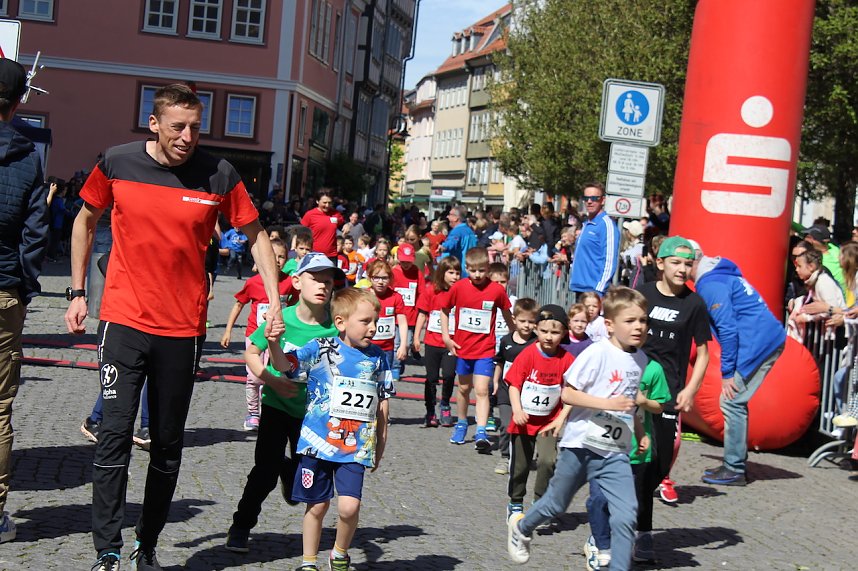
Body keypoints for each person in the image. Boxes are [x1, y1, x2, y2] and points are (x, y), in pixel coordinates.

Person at [64, 84, 286, 571]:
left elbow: (255, 235)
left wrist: (273, 298)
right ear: (155, 123)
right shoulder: (117, 162)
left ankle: (148, 541)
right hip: (123, 320)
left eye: (195, 127)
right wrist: (78, 291)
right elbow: (85, 219)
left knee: (166, 444)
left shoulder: (219, 173)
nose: (187, 136)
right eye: (178, 126)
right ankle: (107, 547)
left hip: (182, 328)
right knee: (114, 435)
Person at [507, 286, 650, 569]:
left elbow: (628, 402)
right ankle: (522, 528)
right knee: (554, 505)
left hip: (613, 451)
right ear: (609, 324)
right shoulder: (597, 353)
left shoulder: (640, 359)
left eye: (643, 321)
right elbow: (569, 394)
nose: (638, 327)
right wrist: (605, 403)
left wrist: (641, 432)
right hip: (580, 444)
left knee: (626, 513)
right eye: (630, 321)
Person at [267, 287, 394, 571]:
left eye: (375, 321)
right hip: (317, 442)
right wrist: (274, 344)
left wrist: (381, 442)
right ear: (340, 322)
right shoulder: (321, 348)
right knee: (317, 506)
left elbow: (383, 401)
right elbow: (285, 366)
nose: (373, 328)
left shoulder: (379, 358)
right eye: (365, 321)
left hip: (356, 446)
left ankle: (339, 553)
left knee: (349, 507)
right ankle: (308, 562)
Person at [226, 252, 341, 554]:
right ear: (297, 281)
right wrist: (271, 378)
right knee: (264, 472)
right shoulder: (283, 318)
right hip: (277, 407)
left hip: (314, 416)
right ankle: (241, 525)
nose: (322, 285)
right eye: (315, 278)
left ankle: (289, 471)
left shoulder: (335, 326)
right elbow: (251, 352)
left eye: (328, 281)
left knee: (306, 481)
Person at [632, 236, 711, 558]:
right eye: (676, 262)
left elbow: (703, 352)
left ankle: (629, 511)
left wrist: (691, 389)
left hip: (669, 393)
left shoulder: (694, 304)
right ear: (660, 263)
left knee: (660, 463)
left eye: (688, 263)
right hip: (635, 387)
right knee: (636, 462)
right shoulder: (644, 295)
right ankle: (641, 532)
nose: (682, 269)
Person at [0, 58, 48, 544]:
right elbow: (34, 236)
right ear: (16, 104)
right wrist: (23, 287)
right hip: (3, 290)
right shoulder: (26, 158)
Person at [692, 251, 786, 486]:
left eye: (683, 263)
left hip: (758, 344)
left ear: (694, 261)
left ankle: (734, 468)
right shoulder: (719, 275)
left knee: (732, 401)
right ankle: (736, 461)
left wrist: (727, 373)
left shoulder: (711, 283)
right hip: (763, 339)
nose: (681, 269)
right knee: (734, 402)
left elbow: (728, 329)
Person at [584, 359, 669, 570]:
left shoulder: (654, 368)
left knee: (627, 506)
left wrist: (643, 401)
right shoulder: (604, 359)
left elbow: (659, 407)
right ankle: (598, 541)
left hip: (635, 450)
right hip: (603, 445)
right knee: (599, 499)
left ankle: (613, 543)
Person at [505, 304, 574, 522]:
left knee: (547, 462)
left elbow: (573, 392)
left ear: (564, 333)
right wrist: (516, 410)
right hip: (523, 420)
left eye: (555, 332)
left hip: (549, 422)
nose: (549, 337)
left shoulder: (567, 359)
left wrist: (561, 418)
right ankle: (515, 502)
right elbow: (514, 384)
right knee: (520, 466)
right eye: (544, 331)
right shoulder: (528, 354)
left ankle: (540, 502)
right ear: (536, 329)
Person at [441, 247, 514, 451]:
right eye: (473, 271)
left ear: (488, 269)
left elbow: (507, 313)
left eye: (481, 271)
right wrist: (447, 336)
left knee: (482, 390)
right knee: (464, 389)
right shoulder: (459, 288)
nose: (477, 275)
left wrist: (516, 335)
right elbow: (444, 310)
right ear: (466, 269)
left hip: (485, 349)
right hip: (462, 349)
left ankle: (481, 430)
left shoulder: (496, 290)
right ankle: (462, 422)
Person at [220, 238, 292, 431]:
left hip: (278, 337)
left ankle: (270, 410)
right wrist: (228, 330)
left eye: (281, 257)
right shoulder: (253, 283)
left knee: (274, 374)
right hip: (255, 336)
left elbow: (296, 307)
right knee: (254, 377)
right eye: (272, 256)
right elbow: (238, 304)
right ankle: (253, 413)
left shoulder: (289, 283)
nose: (276, 261)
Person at [492, 298, 538, 475]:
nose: (526, 325)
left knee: (527, 425)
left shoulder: (536, 343)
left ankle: (525, 457)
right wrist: (495, 382)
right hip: (506, 389)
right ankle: (505, 457)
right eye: (523, 321)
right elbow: (500, 362)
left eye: (531, 322)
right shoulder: (506, 341)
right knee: (505, 424)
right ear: (514, 319)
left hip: (527, 392)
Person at [414, 257, 461, 427]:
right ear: (442, 273)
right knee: (431, 378)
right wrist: (416, 337)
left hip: (452, 343)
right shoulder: (431, 291)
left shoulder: (460, 292)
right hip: (432, 341)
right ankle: (430, 410)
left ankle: (446, 404)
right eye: (451, 273)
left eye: (457, 273)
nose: (455, 276)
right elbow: (422, 314)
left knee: (449, 375)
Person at [569, 183, 620, 295]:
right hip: (580, 287)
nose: (589, 201)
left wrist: (598, 289)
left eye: (594, 198)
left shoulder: (606, 225)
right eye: (586, 198)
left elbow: (609, 261)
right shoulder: (586, 224)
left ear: (602, 200)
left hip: (594, 291)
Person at [365, 259, 408, 378]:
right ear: (370, 278)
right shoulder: (364, 295)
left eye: (384, 278)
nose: (380, 282)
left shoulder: (396, 297)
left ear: (390, 279)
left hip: (386, 349)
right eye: (376, 277)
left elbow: (402, 322)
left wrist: (403, 345)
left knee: (383, 383)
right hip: (366, 346)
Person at [390, 243, 425, 379]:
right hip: (395, 315)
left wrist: (420, 311)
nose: (406, 265)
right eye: (403, 261)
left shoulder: (417, 273)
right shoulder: (394, 272)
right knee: (396, 343)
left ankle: (401, 360)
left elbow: (421, 293)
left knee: (407, 342)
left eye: (408, 262)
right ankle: (395, 368)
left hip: (410, 315)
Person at [301, 189, 344, 262]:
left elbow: (342, 223)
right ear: (317, 201)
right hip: (314, 254)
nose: (327, 205)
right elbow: (301, 233)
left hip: (331, 255)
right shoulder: (310, 215)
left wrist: (347, 226)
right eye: (324, 202)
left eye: (329, 203)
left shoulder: (336, 214)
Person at [804, 224, 847, 296]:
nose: (805, 238)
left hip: (831, 296)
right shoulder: (834, 248)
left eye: (808, 237)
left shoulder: (817, 260)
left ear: (813, 240)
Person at [439, 205, 477, 276]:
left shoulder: (457, 231)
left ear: (456, 218)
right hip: (470, 270)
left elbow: (452, 243)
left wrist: (444, 247)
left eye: (450, 214)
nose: (447, 217)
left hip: (459, 272)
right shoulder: (470, 231)